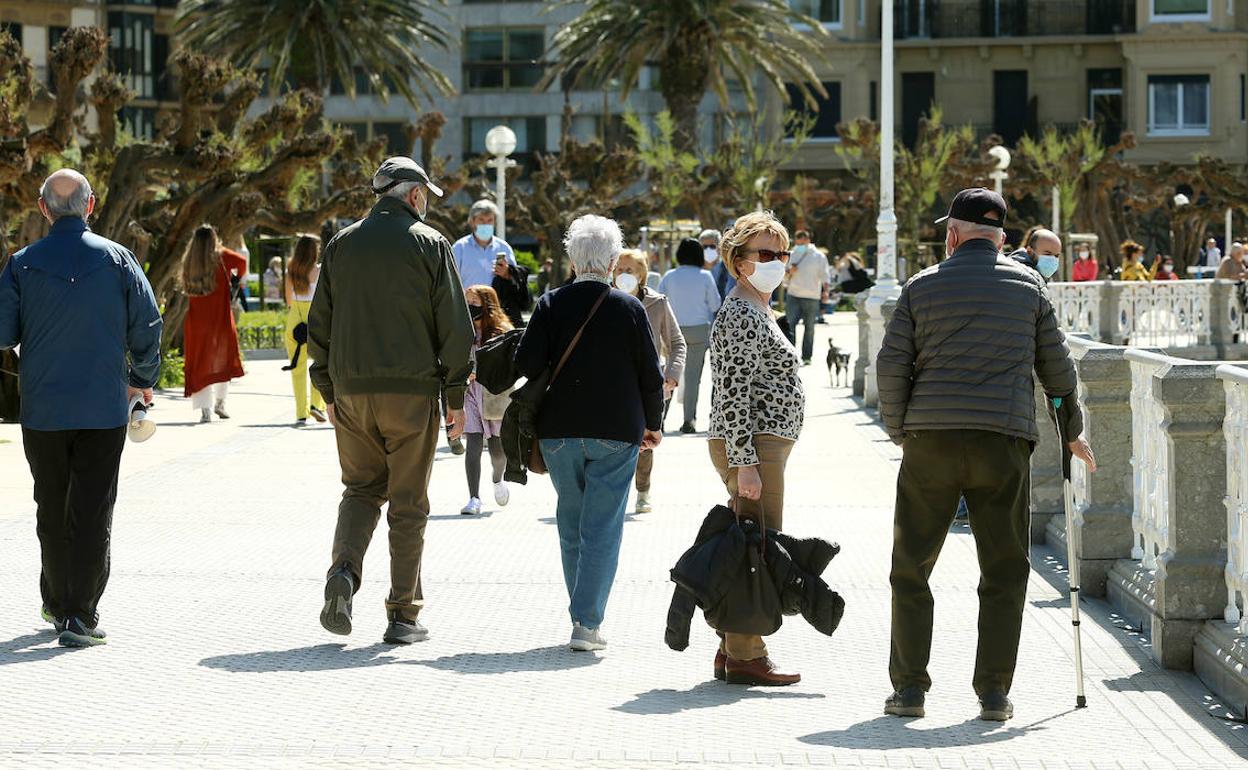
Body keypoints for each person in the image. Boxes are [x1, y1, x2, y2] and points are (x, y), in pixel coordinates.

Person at [876, 187, 1096, 722]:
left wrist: (901, 430)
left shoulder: (921, 286)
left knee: (911, 567)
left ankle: (909, 691)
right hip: (1002, 442)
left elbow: (891, 366)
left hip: (931, 441)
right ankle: (994, 694)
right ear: (1001, 238)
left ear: (952, 234)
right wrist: (1072, 430)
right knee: (1003, 569)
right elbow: (1058, 372)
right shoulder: (1030, 287)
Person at [309, 156, 474, 645]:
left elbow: (318, 326)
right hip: (412, 392)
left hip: (353, 393)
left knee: (360, 490)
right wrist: (454, 394)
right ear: (415, 195)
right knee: (408, 504)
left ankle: (343, 572)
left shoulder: (341, 243)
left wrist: (328, 389)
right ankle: (403, 614)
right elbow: (456, 330)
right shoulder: (430, 244)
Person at [0, 169, 162, 647]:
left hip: (44, 408)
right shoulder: (119, 259)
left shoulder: (22, 263)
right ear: (90, 206)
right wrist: (142, 381)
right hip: (103, 407)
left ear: (43, 208)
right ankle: (80, 614)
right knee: (93, 508)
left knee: (50, 505)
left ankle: (56, 599)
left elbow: (4, 334)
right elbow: (148, 324)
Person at [515, 215, 664, 652]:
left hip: (558, 431)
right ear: (614, 261)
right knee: (602, 527)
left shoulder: (549, 303)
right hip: (616, 431)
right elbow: (650, 376)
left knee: (571, 521)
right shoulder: (629, 307)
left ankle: (582, 613)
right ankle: (586, 622)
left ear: (572, 259)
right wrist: (653, 424)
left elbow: (527, 364)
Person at [705, 210, 804, 686]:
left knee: (750, 543)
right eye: (765, 254)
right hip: (753, 447)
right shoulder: (741, 311)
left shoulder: (759, 307)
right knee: (756, 550)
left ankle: (731, 649)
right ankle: (748, 654)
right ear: (738, 261)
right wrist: (746, 464)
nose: (777, 262)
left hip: (763, 446)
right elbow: (733, 391)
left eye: (781, 254)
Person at [612, 249, 686, 514]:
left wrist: (672, 376)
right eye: (619, 269)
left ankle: (643, 491)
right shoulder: (604, 301)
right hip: (614, 386)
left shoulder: (658, 303)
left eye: (629, 270)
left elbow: (677, 343)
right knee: (616, 443)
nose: (623, 275)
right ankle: (614, 495)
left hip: (650, 388)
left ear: (642, 274)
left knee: (645, 443)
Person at [181, 225, 247, 423]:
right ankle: (220, 402)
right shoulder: (220, 257)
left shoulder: (189, 261)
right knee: (222, 358)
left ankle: (205, 410)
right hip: (220, 319)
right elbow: (241, 262)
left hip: (197, 321)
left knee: (200, 360)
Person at [459, 284, 513, 516]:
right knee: (473, 443)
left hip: (494, 394)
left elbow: (510, 367)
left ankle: (497, 479)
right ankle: (474, 497)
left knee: (497, 449)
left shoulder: (502, 331)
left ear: (487, 304)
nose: (470, 307)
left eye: (475, 302)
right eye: (467, 302)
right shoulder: (461, 330)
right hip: (469, 393)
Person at [659, 238, 722, 434]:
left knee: (668, 375)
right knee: (693, 377)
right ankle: (689, 420)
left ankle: (660, 419)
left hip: (672, 330)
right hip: (698, 330)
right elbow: (715, 305)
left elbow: (659, 301)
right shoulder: (705, 276)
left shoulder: (669, 276)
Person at [284, 235, 328, 424]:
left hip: (295, 320)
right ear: (314, 251)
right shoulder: (320, 271)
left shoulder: (290, 271)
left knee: (298, 368)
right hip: (316, 320)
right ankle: (316, 405)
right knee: (319, 364)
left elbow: (288, 301)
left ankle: (301, 413)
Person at [784, 229, 830, 365]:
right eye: (799, 241)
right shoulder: (791, 255)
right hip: (793, 294)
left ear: (808, 240)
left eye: (803, 240)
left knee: (809, 328)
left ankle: (807, 357)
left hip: (812, 296)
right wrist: (789, 272)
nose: (801, 243)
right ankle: (790, 356)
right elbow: (784, 277)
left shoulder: (819, 256)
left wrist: (826, 292)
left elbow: (825, 275)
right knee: (790, 326)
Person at [452, 199, 517, 291]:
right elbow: (451, 280)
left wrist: (507, 273)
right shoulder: (459, 248)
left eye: (490, 220)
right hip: (467, 304)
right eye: (481, 220)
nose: (486, 224)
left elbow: (516, 281)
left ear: (494, 222)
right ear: (472, 221)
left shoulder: (504, 248)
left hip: (496, 304)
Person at [491, 251, 531, 328]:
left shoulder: (516, 273)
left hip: (514, 313)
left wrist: (507, 274)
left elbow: (523, 273)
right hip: (498, 315)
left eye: (500, 264)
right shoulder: (497, 281)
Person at [703, 229, 735, 299]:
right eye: (704, 247)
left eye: (712, 246)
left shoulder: (731, 269)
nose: (708, 250)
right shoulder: (699, 271)